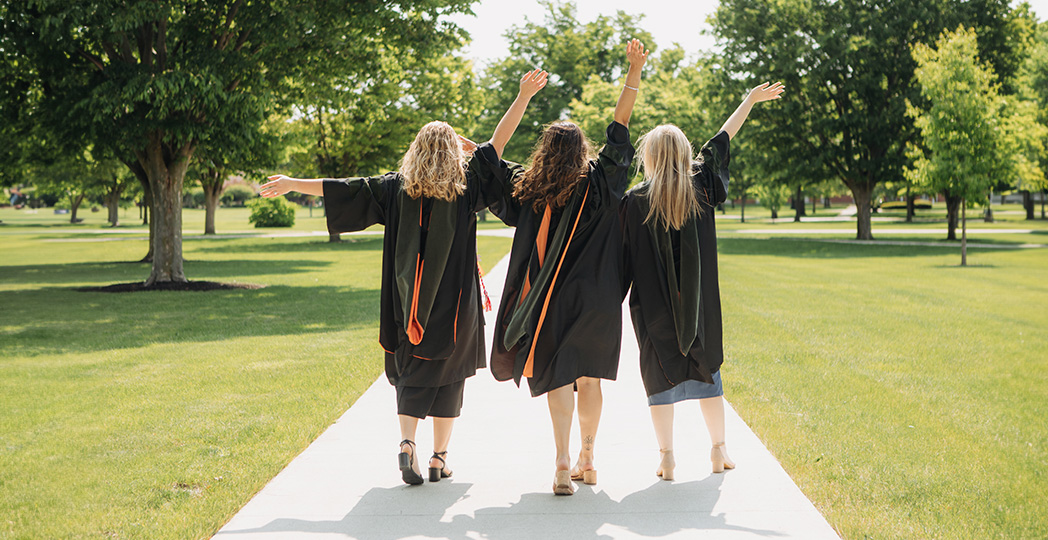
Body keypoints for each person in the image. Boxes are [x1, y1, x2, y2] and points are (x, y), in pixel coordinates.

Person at [258, 69, 549, 486]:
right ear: (454, 151)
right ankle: (439, 458)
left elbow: (341, 187)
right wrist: (521, 95)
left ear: (416, 149)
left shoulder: (395, 188)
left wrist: (291, 183)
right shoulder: (466, 188)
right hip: (455, 306)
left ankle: (407, 444)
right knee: (449, 374)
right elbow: (496, 145)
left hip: (405, 301)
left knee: (411, 369)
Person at [477, 39, 647, 496]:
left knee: (558, 376)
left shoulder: (529, 189)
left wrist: (522, 97)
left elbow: (489, 157)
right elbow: (621, 126)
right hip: (597, 300)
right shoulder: (603, 183)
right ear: (582, 149)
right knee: (590, 377)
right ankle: (589, 459)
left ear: (545, 150)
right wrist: (633, 71)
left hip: (550, 299)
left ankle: (560, 462)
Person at [620, 82, 784, 480]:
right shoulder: (703, 189)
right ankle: (718, 451)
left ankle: (667, 457)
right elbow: (723, 139)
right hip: (699, 306)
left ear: (651, 156)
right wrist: (748, 100)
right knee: (708, 376)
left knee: (659, 379)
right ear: (686, 154)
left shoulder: (634, 200)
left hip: (654, 307)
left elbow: (621, 261)